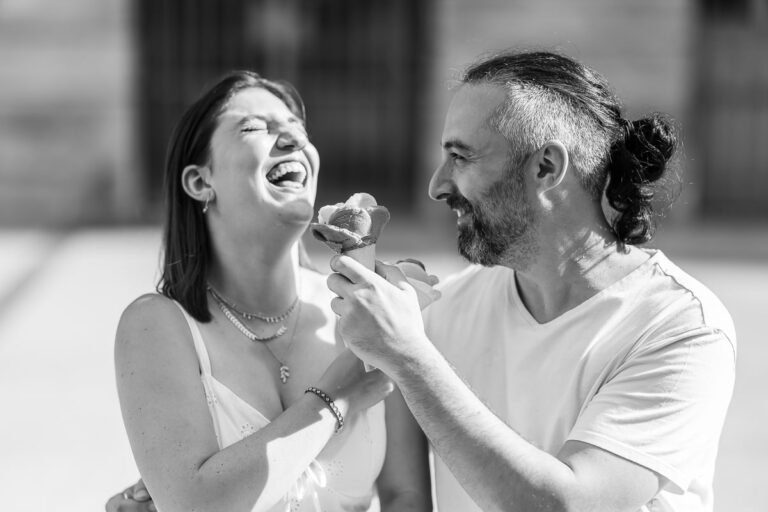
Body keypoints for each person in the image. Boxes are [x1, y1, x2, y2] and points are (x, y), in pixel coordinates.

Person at [327, 50, 736, 512]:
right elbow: (405, 500)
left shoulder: (681, 328)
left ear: (546, 168)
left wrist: (407, 354)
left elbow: (569, 505)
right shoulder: (437, 311)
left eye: (460, 157)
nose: (437, 186)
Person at [108, 71, 431, 512]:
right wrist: (335, 398)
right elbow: (194, 505)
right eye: (255, 127)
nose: (293, 138)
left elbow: (407, 497)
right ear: (201, 182)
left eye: (298, 128)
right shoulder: (156, 326)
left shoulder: (372, 307)